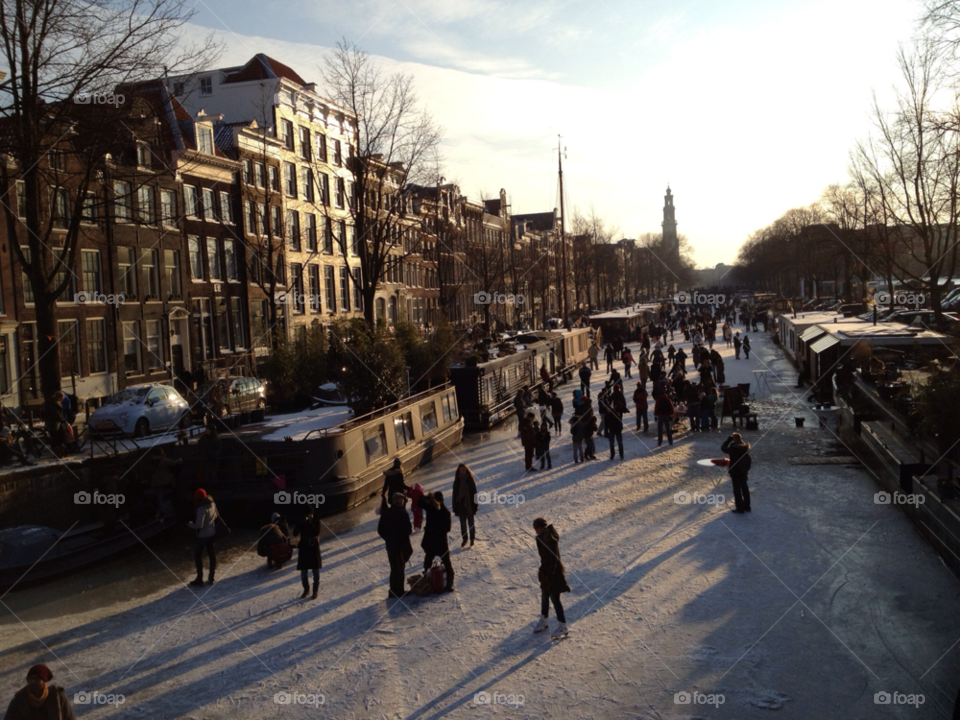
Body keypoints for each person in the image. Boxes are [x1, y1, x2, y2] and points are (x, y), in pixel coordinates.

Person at [531, 518, 570, 638]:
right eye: (534, 528)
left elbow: (554, 559)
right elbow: (544, 559)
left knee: (555, 599)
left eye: (537, 528)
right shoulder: (542, 538)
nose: (535, 530)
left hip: (554, 574)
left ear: (542, 527)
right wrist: (543, 571)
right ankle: (544, 620)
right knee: (544, 596)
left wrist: (549, 574)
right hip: (546, 572)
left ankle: (563, 626)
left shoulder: (550, 539)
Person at [3, 664, 75, 719]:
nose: (33, 682)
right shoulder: (19, 701)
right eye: (31, 679)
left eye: (37, 679)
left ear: (43, 681)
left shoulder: (57, 696)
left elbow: (69, 717)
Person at [378, 492, 413, 599]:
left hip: (390, 545)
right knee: (400, 568)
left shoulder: (386, 513)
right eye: (402, 500)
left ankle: (392, 591)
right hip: (400, 545)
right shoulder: (402, 513)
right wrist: (402, 538)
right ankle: (400, 591)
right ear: (398, 501)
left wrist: (387, 538)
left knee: (393, 568)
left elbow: (380, 529)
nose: (403, 501)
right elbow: (408, 530)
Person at [419, 490, 454, 592]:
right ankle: (430, 580)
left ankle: (447, 582)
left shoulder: (441, 511)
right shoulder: (432, 508)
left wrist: (434, 530)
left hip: (436, 541)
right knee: (431, 562)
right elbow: (419, 503)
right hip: (437, 541)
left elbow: (447, 528)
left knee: (441, 562)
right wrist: (426, 497)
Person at [187, 488, 218, 586]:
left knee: (198, 555)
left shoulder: (201, 509)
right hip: (212, 533)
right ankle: (211, 577)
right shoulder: (212, 504)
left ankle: (199, 578)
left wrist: (190, 524)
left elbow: (199, 525)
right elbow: (216, 516)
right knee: (211, 554)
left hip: (203, 536)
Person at [722, 432, 752, 513]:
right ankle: (747, 506)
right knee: (744, 488)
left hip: (735, 472)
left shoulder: (734, 449)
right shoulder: (744, 448)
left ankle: (740, 508)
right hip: (743, 471)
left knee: (737, 490)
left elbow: (723, 448)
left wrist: (728, 441)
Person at [296, 508, 322, 599]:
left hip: (313, 547)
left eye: (309, 514)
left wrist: (309, 523)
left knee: (315, 570)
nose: (307, 516)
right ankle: (306, 589)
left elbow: (316, 532)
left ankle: (315, 590)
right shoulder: (302, 521)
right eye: (306, 515)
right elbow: (295, 533)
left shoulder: (316, 520)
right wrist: (300, 523)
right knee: (304, 571)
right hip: (304, 547)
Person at [452, 464, 478, 547]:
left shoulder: (470, 480)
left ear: (466, 470)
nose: (462, 472)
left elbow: (474, 493)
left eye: (464, 470)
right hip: (461, 506)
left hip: (470, 505)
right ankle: (465, 539)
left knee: (471, 523)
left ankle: (472, 539)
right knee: (463, 524)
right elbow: (454, 495)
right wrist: (454, 506)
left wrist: (475, 505)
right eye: (461, 470)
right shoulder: (457, 481)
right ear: (458, 471)